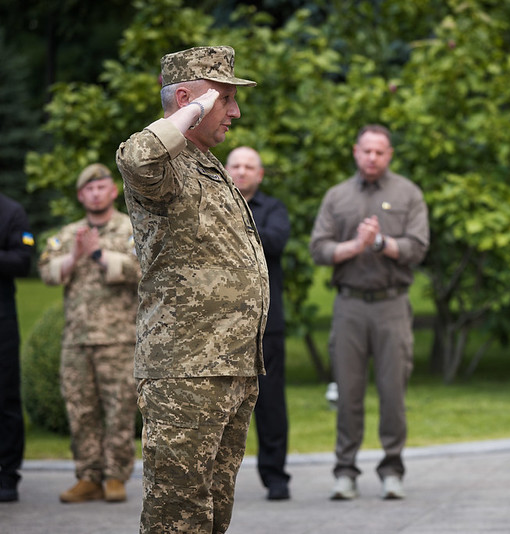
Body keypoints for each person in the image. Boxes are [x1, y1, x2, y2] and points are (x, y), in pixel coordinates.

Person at [116, 46, 269, 533]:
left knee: (211, 513)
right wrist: (194, 107)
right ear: (187, 100)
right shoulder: (164, 164)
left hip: (229, 367)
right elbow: (136, 157)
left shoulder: (207, 163)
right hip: (187, 370)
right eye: (225, 99)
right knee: (176, 516)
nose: (235, 112)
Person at [310, 124, 429, 501]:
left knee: (393, 393)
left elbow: (417, 247)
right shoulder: (337, 196)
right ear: (355, 151)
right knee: (348, 393)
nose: (372, 158)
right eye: (366, 151)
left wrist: (380, 243)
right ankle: (345, 471)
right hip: (349, 306)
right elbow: (319, 249)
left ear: (389, 154)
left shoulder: (407, 193)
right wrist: (354, 246)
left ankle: (392, 469)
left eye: (380, 152)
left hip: (392, 305)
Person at [38, 164, 141, 504]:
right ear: (81, 195)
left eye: (102, 188)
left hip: (119, 338)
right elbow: (47, 272)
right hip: (77, 339)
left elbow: (143, 269)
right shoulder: (67, 234)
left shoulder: (131, 228)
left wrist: (99, 254)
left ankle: (115, 477)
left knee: (119, 410)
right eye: (89, 189)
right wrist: (73, 256)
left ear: (113, 191)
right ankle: (88, 476)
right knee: (80, 410)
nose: (96, 194)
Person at [226, 146, 292, 500]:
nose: (242, 171)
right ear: (225, 168)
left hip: (266, 323)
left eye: (249, 166)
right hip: (221, 324)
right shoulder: (212, 204)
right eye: (235, 165)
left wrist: (237, 230)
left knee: (270, 405)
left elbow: (276, 242)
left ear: (260, 174)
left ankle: (276, 477)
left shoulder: (273, 209)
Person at [0, 193, 34, 503]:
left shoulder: (11, 212)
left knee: (5, 397)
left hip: (2, 321)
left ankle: (7, 475)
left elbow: (22, 261)